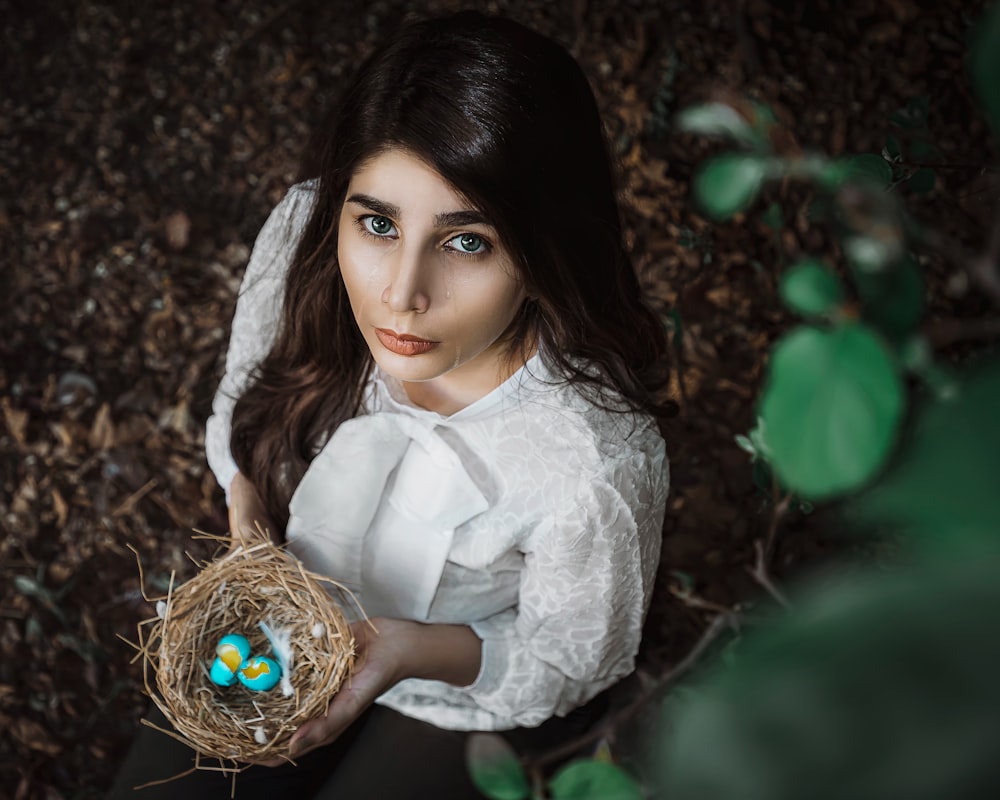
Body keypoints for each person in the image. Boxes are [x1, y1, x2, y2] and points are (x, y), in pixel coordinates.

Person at [110, 10, 671, 798]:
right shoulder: (305, 244)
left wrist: (406, 651)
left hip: (455, 692)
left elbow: (564, 660)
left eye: (466, 241)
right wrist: (249, 534)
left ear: (545, 246)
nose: (401, 298)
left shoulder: (592, 465)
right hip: (284, 623)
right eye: (377, 224)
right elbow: (245, 401)